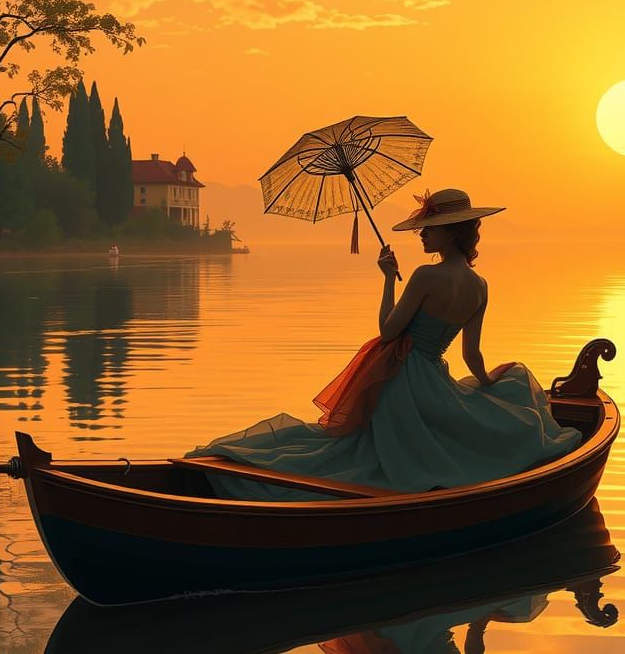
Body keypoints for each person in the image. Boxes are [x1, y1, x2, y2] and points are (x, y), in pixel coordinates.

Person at [186, 188, 582, 498]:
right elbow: (471, 355)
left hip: (400, 382)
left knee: (343, 451)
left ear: (453, 232)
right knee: (363, 447)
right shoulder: (480, 286)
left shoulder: (426, 278)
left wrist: (389, 279)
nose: (423, 234)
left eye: (430, 227)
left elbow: (389, 332)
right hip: (431, 379)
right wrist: (488, 384)